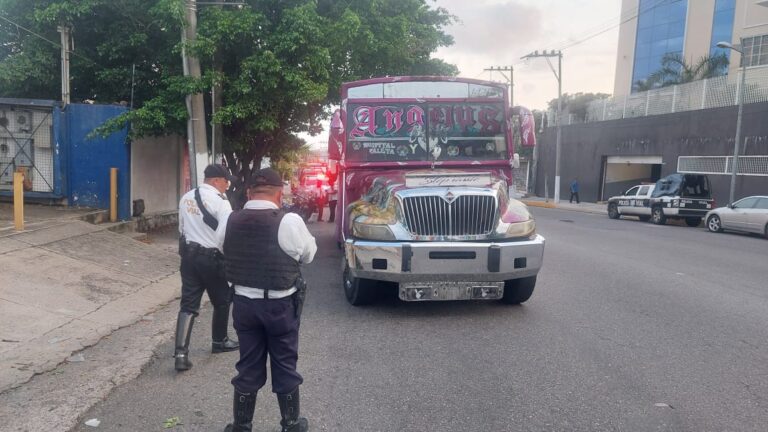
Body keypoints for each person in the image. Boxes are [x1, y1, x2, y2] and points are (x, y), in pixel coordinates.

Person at [219, 168, 317, 432]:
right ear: (279, 193)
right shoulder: (290, 221)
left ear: (249, 192)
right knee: (285, 363)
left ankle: (241, 426)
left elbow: (222, 247)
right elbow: (308, 255)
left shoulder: (230, 219)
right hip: (280, 306)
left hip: (243, 305)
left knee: (248, 365)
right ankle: (291, 424)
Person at [175, 164, 240, 372]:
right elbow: (226, 234)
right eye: (225, 181)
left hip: (189, 257)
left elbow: (181, 228)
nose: (227, 185)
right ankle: (219, 341)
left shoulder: (186, 197)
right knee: (222, 300)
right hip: (212, 257)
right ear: (215, 180)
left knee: (188, 305)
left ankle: (181, 354)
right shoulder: (220, 201)